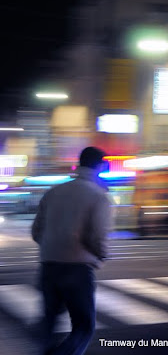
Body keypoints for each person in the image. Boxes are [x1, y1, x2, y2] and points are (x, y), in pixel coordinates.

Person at [32, 146, 113, 355]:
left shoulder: (53, 192)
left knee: (49, 323)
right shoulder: (98, 195)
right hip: (77, 269)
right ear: (101, 166)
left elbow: (36, 231)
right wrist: (101, 256)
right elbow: (96, 236)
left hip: (48, 266)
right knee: (84, 326)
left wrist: (53, 246)